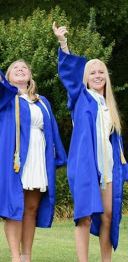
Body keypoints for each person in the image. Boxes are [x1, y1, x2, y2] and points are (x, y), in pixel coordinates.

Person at [0, 48, 66, 262]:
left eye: (24, 67)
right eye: (15, 68)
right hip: (15, 158)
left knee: (32, 207)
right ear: (8, 77)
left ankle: (27, 256)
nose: (20, 69)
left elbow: (51, 130)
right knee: (14, 206)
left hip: (37, 156)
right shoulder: (5, 99)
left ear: (30, 76)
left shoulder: (42, 101)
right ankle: (15, 257)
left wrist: (55, 155)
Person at [53, 22, 128, 261]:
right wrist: (63, 44)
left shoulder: (109, 106)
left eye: (101, 72)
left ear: (106, 77)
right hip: (85, 166)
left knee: (108, 215)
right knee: (84, 216)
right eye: (92, 73)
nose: (97, 75)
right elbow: (70, 76)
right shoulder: (81, 97)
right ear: (85, 78)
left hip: (107, 167)